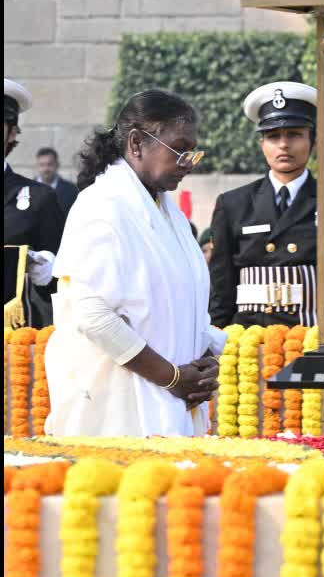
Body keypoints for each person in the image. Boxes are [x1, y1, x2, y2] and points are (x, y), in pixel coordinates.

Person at [43, 89, 223, 437]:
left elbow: (183, 301)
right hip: (118, 407)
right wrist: (171, 376)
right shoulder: (102, 206)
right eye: (180, 150)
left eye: (193, 152)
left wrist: (202, 362)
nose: (188, 163)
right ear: (137, 143)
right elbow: (94, 317)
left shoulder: (169, 213)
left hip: (173, 402)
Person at [208, 82, 319, 328]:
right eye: (273, 136)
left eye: (294, 134)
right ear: (262, 145)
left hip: (313, 332)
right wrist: (216, 337)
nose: (283, 145)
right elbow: (222, 283)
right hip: (252, 333)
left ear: (313, 141)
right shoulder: (233, 204)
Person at [4, 78, 65, 330]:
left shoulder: (39, 198)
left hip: (12, 343)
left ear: (13, 133)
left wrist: (49, 271)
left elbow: (64, 283)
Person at [35, 147, 79, 215]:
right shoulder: (27, 189)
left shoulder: (71, 190)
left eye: (49, 164)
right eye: (42, 165)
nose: (46, 169)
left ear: (57, 165)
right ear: (37, 166)